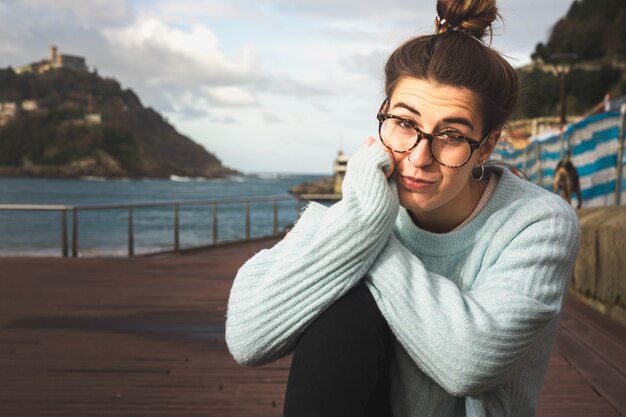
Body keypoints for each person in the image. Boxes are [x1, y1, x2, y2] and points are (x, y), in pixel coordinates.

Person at [225, 0, 581, 416]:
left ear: (486, 146)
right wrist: (362, 217)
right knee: (343, 314)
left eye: (451, 134)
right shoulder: (366, 208)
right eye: (406, 124)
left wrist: (361, 233)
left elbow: (470, 363)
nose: (418, 157)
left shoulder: (537, 225)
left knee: (344, 293)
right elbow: (247, 337)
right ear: (384, 117)